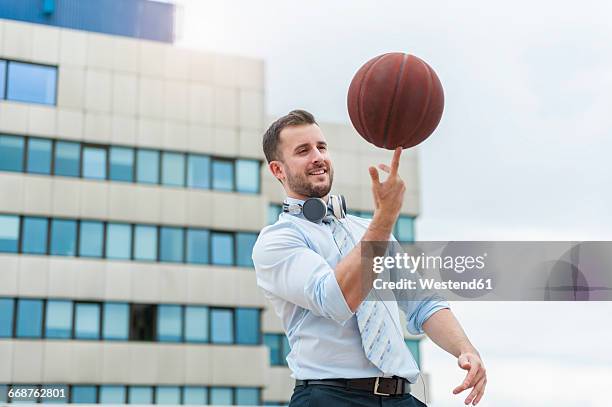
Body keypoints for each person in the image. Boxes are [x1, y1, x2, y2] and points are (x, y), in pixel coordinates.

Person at [252, 110, 487, 407]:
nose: (317, 157)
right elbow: (336, 299)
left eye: (321, 147)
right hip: (330, 398)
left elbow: (422, 302)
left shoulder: (369, 230)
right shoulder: (278, 240)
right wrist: (385, 218)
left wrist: (465, 349)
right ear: (278, 170)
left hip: (400, 397)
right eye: (303, 151)